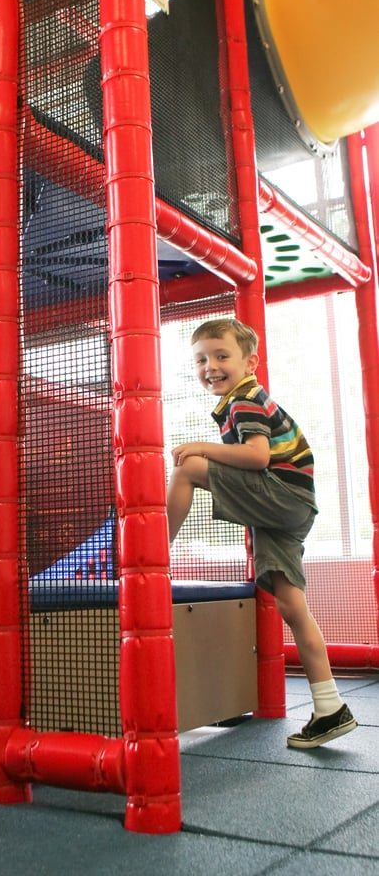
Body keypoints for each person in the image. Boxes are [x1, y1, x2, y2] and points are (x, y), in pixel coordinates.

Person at [167, 317, 357, 749]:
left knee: (187, 468)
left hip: (283, 495)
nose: (210, 367)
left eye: (221, 356)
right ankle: (330, 707)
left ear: (250, 362)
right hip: (289, 510)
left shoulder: (245, 399)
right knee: (292, 605)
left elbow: (256, 456)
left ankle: (155, 554)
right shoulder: (239, 400)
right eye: (201, 360)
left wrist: (201, 447)